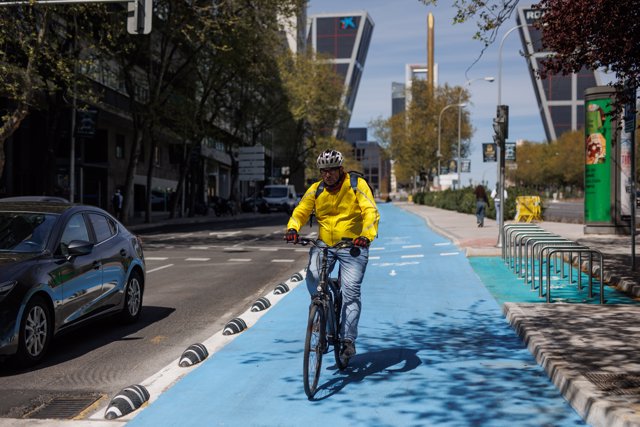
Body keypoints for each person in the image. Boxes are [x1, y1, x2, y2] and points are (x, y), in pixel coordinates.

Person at [284, 149, 380, 360]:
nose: (328, 175)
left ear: (340, 169)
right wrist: (293, 228)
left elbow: (370, 211)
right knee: (314, 279)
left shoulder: (356, 185)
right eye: (323, 171)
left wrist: (366, 235)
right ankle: (323, 317)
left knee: (351, 292)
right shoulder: (316, 189)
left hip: (352, 246)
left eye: (332, 170)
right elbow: (301, 210)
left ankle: (347, 340)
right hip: (324, 244)